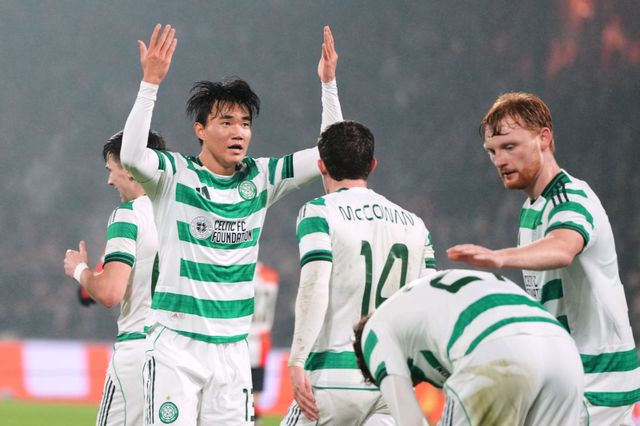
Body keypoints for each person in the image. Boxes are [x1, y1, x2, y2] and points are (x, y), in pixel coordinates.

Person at [120, 24, 343, 425]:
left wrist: (328, 85)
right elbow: (133, 156)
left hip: (233, 351)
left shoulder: (262, 177)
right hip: (176, 346)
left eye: (245, 123)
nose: (238, 131)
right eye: (226, 122)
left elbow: (332, 154)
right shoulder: (174, 175)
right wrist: (150, 83)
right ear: (200, 130)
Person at [447, 92, 640, 425]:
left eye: (510, 146)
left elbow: (563, 248)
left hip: (596, 382)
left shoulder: (570, 197)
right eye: (492, 151)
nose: (499, 160)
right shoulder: (530, 209)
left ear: (544, 138)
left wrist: (499, 258)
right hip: (570, 375)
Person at [281, 120, 437, 425]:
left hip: (333, 376)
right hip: (391, 381)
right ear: (372, 165)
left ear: (321, 165)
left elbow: (315, 285)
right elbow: (427, 304)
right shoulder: (416, 226)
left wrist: (297, 359)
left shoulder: (319, 212)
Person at [353, 269, 585, 426]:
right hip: (563, 352)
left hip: (497, 349)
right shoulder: (418, 303)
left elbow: (410, 420)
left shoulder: (374, 333)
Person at [63, 129, 166, 426]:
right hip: (182, 353)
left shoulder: (128, 215)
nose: (109, 180)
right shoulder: (184, 213)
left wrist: (79, 270)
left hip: (138, 349)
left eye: (112, 170)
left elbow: (109, 293)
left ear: (132, 168)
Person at [247, 262, 280, 425]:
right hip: (262, 343)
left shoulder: (242, 272)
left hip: (242, 340)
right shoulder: (271, 276)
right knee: (255, 396)